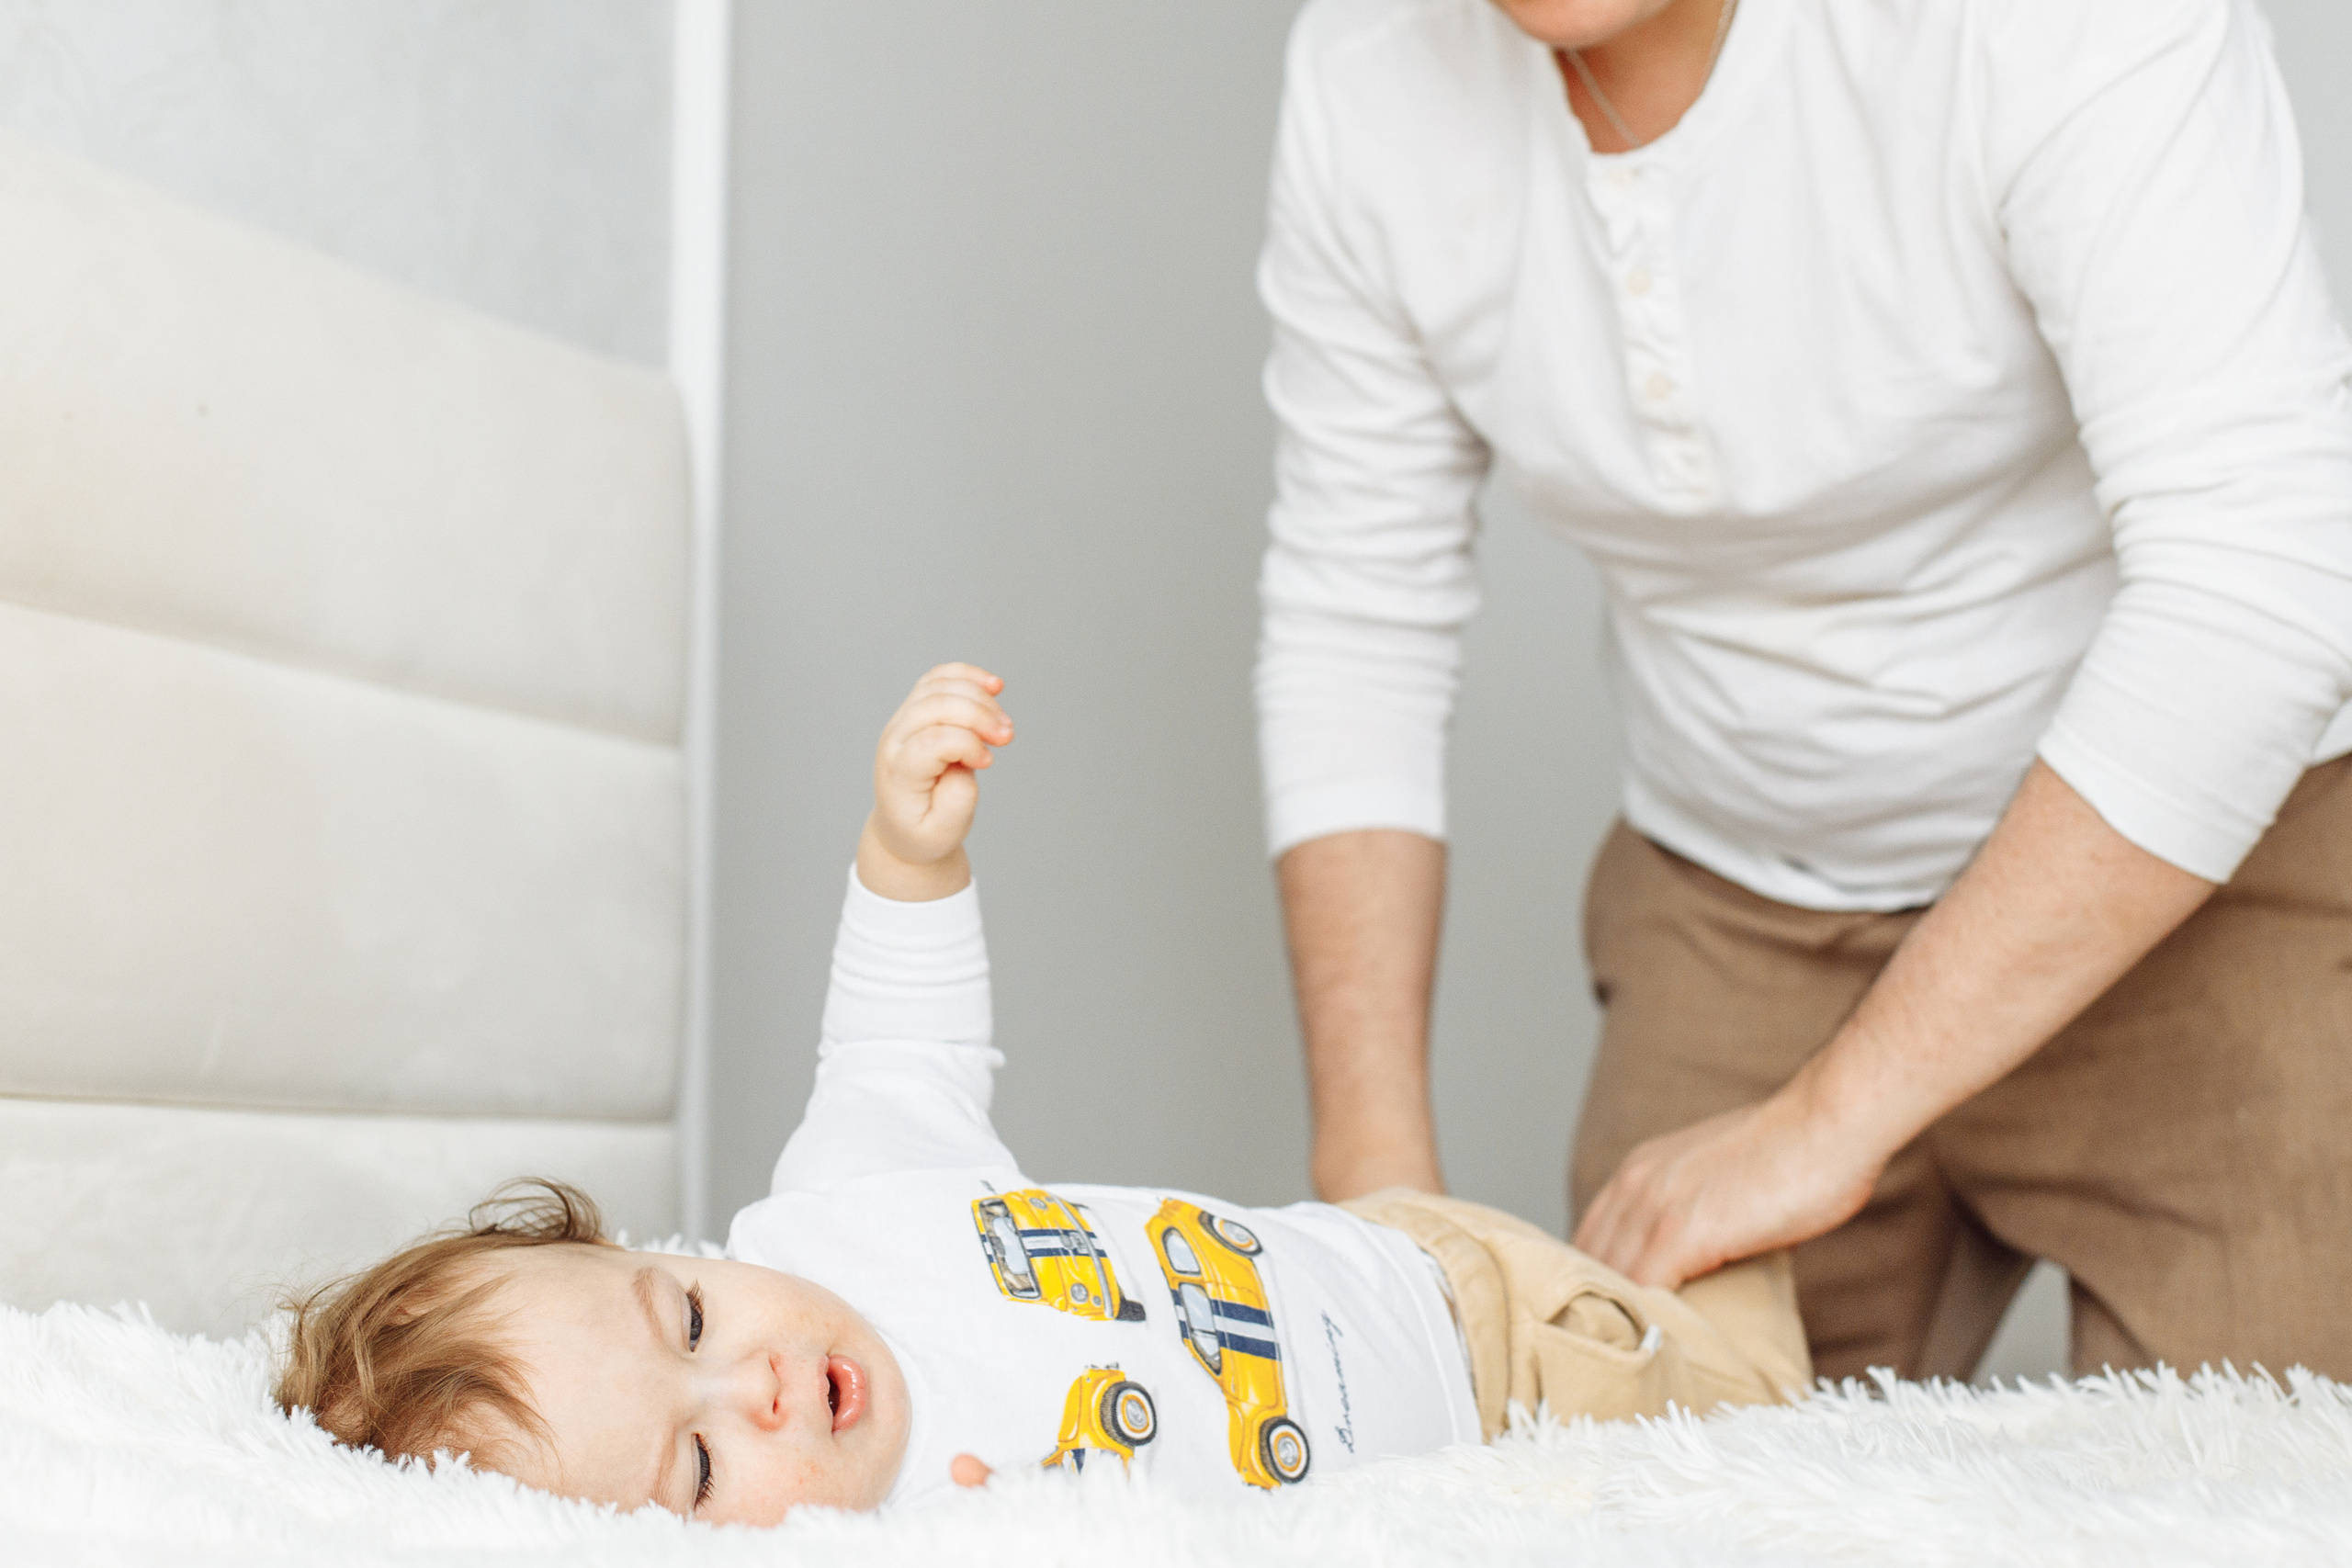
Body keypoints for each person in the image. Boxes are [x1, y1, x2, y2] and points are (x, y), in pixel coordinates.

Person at [1256, 0, 2352, 1382]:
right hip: (1739, 904)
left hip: (2208, 886)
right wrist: (1376, 1202)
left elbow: (2261, 585)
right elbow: (1356, 618)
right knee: (1645, 1492)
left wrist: (1834, 1117)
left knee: (2269, 1493)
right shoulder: (1365, 71)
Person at [273, 665, 1811, 1525]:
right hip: (1484, 1459)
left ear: (658, 1252)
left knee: (1765, 1402)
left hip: (1465, 1310)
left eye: (683, 1319)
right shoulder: (908, 1535)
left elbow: (900, 1044)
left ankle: (1789, 1211)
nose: (749, 1383)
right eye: (696, 1467)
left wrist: (911, 855)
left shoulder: (839, 1218)